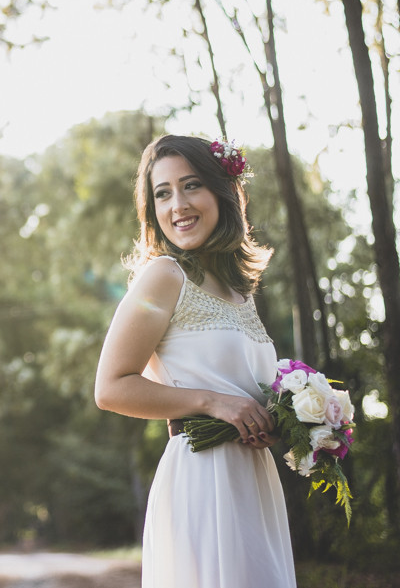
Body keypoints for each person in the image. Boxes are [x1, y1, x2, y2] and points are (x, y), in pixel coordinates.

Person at [93, 134, 297, 588]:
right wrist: (213, 403)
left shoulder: (240, 293)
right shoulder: (164, 277)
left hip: (254, 480)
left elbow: (247, 391)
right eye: (162, 193)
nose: (177, 205)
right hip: (203, 478)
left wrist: (289, 419)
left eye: (191, 186)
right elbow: (110, 387)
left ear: (221, 194)